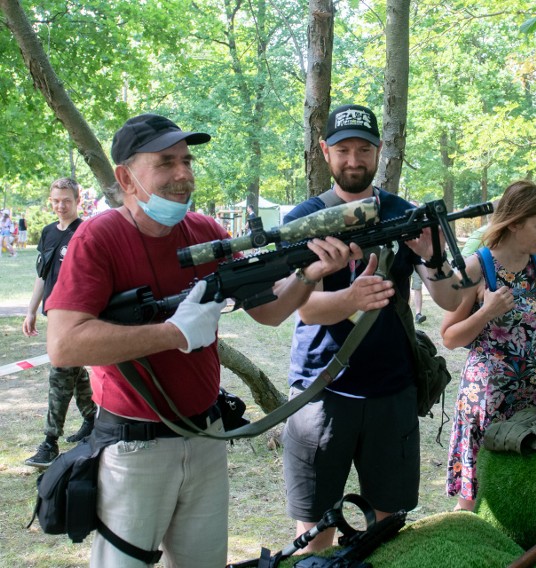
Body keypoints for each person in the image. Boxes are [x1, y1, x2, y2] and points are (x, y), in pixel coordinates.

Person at [45, 113, 354, 566]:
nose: (183, 174)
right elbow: (64, 343)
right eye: (166, 162)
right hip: (134, 446)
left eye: (187, 161)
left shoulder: (207, 232)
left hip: (205, 435)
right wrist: (171, 334)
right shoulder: (100, 236)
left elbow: (269, 312)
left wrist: (310, 275)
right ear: (126, 177)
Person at [280, 103, 464, 554]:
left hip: (391, 392)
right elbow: (304, 310)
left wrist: (434, 258)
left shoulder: (404, 214)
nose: (354, 160)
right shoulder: (303, 220)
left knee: (387, 532)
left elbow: (452, 300)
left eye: (365, 149)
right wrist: (352, 300)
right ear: (325, 152)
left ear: (380, 151)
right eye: (343, 149)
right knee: (314, 535)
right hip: (321, 392)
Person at [442, 180, 536, 512]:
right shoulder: (477, 267)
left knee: (527, 493)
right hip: (487, 400)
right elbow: (450, 337)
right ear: (516, 222)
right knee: (475, 499)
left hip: (534, 398)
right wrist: (487, 311)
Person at [22, 178, 96, 468]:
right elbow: (43, 275)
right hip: (53, 314)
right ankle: (92, 418)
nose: (61, 206)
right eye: (55, 200)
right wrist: (31, 311)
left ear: (78, 200)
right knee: (72, 372)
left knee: (60, 374)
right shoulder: (48, 232)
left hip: (76, 316)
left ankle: (50, 442)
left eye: (66, 200)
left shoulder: (87, 231)